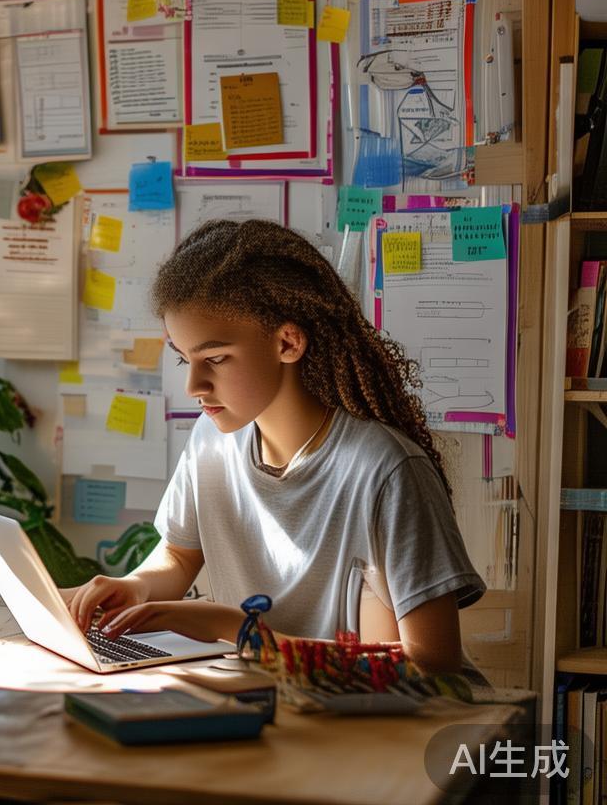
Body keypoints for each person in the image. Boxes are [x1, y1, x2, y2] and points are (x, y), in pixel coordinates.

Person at [65, 219, 489, 681]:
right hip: (281, 707)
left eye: (216, 359)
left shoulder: (385, 471)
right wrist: (134, 587)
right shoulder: (211, 441)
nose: (193, 386)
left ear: (287, 342)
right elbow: (180, 556)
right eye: (185, 359)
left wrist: (237, 630)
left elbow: (432, 663)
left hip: (402, 728)